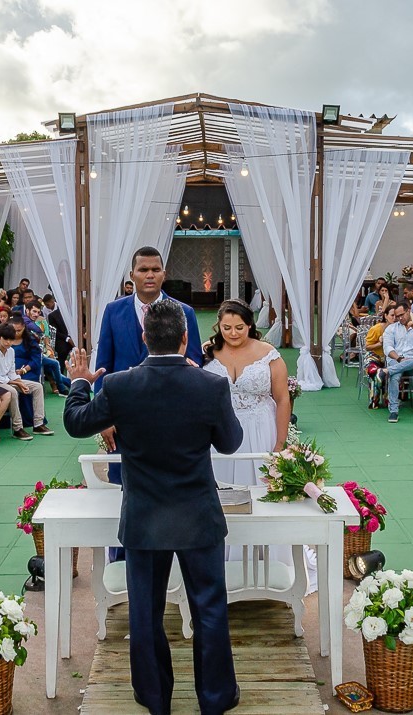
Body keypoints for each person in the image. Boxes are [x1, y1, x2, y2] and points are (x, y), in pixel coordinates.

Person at [64, 300, 242, 715]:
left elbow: (76, 422)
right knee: (210, 610)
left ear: (144, 339)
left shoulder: (121, 385)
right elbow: (230, 443)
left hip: (144, 518)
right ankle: (215, 699)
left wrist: (79, 381)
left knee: (145, 614)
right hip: (198, 515)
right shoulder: (210, 386)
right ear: (185, 339)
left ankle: (155, 697)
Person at [94, 246, 203, 487]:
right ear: (132, 275)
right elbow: (103, 367)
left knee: (171, 483)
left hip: (171, 415)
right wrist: (104, 418)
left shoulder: (185, 313)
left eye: (155, 269)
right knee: (123, 485)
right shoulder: (113, 311)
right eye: (143, 269)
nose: (150, 275)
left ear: (164, 273)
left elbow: (195, 365)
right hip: (124, 416)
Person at [203, 300, 290, 487]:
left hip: (259, 427)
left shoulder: (268, 354)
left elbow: (282, 399)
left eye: (239, 327)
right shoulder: (207, 351)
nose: (233, 333)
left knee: (260, 483)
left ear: (249, 325)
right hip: (220, 428)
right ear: (219, 326)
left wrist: (280, 445)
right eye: (226, 328)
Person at [0, 322, 43, 441]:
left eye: (11, 340)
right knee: (13, 392)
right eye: (5, 339)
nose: (8, 342)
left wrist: (19, 382)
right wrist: (17, 383)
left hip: (9, 380)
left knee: (38, 387)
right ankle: (17, 428)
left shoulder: (11, 351)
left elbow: (11, 371)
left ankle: (38, 424)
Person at [382, 300, 413, 424]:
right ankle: (394, 411)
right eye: (397, 316)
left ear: (408, 311)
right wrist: (399, 359)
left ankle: (385, 371)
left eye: (402, 315)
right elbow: (387, 348)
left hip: (412, 363)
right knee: (395, 375)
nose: (400, 318)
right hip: (396, 360)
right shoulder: (391, 329)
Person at [9, 312, 55, 436]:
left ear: (24, 327)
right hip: (8, 375)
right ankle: (18, 426)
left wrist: (24, 370)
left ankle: (38, 423)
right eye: (14, 330)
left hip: (27, 371)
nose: (17, 333)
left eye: (19, 330)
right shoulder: (5, 340)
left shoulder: (30, 340)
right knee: (17, 389)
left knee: (35, 386)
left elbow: (36, 360)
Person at [27, 301, 70, 395]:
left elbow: (46, 336)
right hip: (30, 355)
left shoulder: (40, 320)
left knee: (52, 361)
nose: (36, 314)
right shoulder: (26, 322)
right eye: (34, 311)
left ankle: (61, 385)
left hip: (40, 351)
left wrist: (48, 347)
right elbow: (38, 333)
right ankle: (66, 385)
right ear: (27, 311)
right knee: (53, 364)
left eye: (38, 312)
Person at [43, 293, 75, 364]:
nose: (47, 307)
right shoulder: (51, 314)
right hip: (62, 337)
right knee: (62, 349)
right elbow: (55, 330)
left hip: (73, 334)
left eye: (48, 304)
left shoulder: (68, 310)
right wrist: (68, 339)